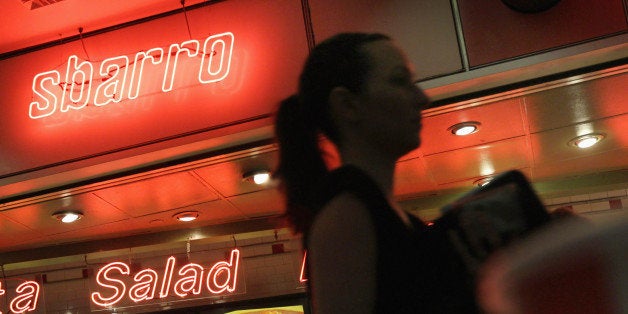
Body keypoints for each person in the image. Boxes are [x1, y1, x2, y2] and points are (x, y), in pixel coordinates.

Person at [274, 33, 480, 313]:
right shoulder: (346, 216)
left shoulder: (380, 215)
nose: (422, 98)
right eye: (399, 81)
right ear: (347, 105)